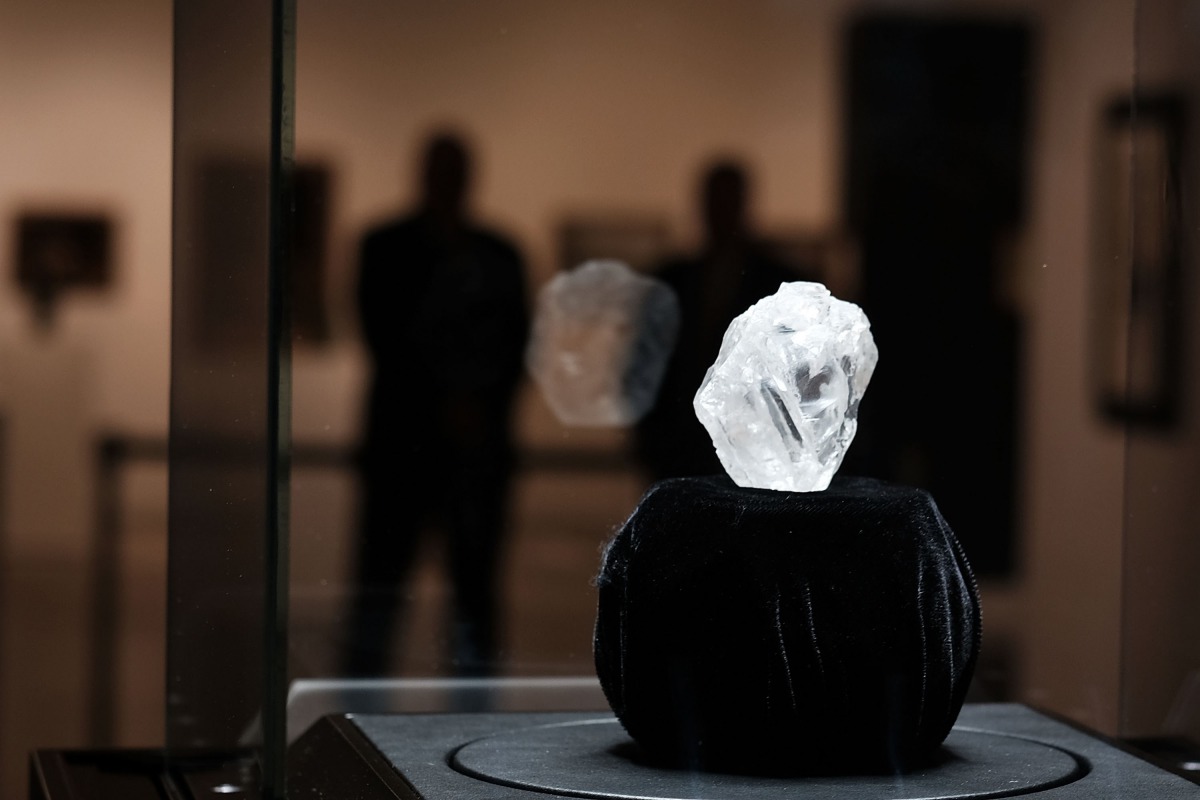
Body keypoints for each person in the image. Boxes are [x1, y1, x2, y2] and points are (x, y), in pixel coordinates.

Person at [345, 131, 530, 677]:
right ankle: (361, 714)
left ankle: (469, 720)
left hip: (464, 453)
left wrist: (470, 405)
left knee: (471, 598)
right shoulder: (386, 245)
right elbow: (384, 335)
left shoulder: (495, 253)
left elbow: (516, 344)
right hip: (410, 449)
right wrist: (457, 404)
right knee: (382, 595)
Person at [636, 158, 809, 481]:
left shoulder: (779, 283)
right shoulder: (671, 280)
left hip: (753, 450)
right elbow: (647, 363)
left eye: (727, 200)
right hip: (678, 447)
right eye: (715, 201)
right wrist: (650, 441)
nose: (720, 211)